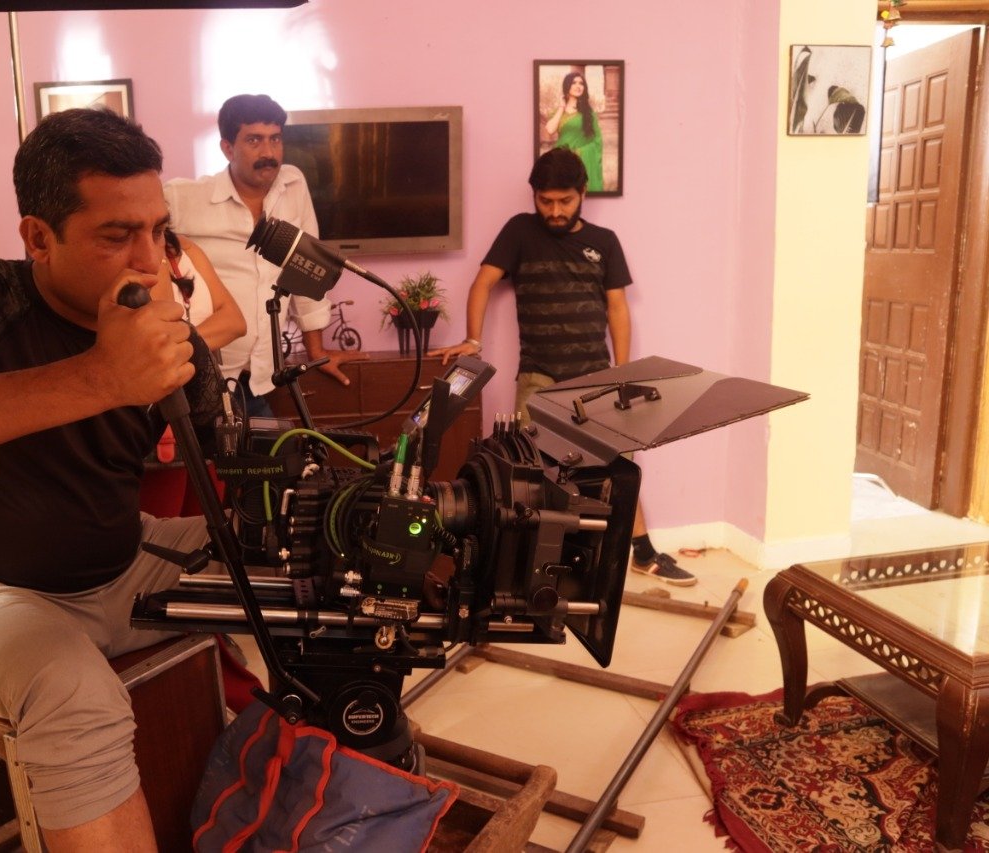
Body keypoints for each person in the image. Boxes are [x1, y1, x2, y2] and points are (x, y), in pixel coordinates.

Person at [0, 108, 220, 852]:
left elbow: (230, 456)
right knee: (73, 692)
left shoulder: (168, 337)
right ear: (38, 237)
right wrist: (103, 375)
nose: (149, 261)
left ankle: (314, 797)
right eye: (115, 235)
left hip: (125, 567)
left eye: (158, 231)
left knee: (304, 559)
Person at [431, 148, 696, 586]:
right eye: (546, 201)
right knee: (526, 474)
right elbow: (483, 282)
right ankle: (524, 565)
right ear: (534, 195)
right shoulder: (518, 231)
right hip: (538, 377)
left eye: (565, 201)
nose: (554, 211)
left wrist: (623, 373)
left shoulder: (604, 241)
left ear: (582, 193)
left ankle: (642, 553)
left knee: (617, 468)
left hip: (597, 378)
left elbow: (617, 308)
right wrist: (473, 340)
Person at [164, 93, 366, 417]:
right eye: (254, 140)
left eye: (275, 139)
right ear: (227, 148)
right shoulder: (184, 197)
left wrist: (316, 349)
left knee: (280, 449)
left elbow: (308, 267)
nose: (269, 153)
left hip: (260, 380)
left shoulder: (293, 186)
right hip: (200, 379)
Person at [162, 229, 246, 352]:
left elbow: (236, 322)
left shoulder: (185, 246)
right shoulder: (142, 263)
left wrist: (181, 346)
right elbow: (162, 344)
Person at [545, 71, 604, 193]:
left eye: (581, 83)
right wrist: (562, 107)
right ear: (567, 86)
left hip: (581, 160)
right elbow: (550, 129)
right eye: (574, 83)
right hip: (561, 160)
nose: (578, 86)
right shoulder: (558, 112)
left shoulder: (589, 114)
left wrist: (580, 152)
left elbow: (597, 140)